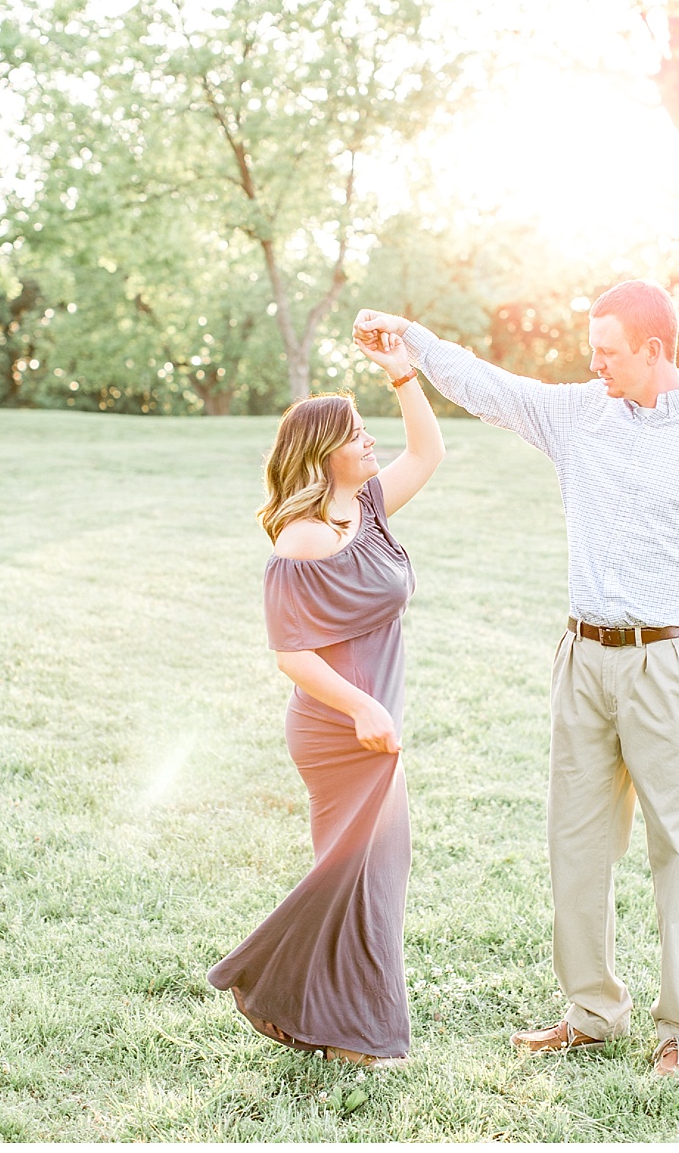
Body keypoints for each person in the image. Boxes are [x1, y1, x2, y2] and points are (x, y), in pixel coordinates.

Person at [353, 279, 679, 1084]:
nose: (596, 363)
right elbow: (491, 388)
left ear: (655, 350)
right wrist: (413, 337)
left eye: (610, 352)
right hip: (582, 658)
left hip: (671, 663)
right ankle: (592, 1010)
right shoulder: (581, 414)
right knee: (575, 845)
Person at [208, 329, 445, 1065]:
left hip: (377, 727)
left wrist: (404, 375)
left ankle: (316, 1011)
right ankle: (356, 1035)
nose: (370, 442)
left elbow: (430, 454)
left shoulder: (368, 508)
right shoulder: (302, 541)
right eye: (354, 435)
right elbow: (292, 654)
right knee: (357, 876)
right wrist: (363, 707)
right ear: (322, 455)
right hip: (339, 729)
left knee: (376, 872)